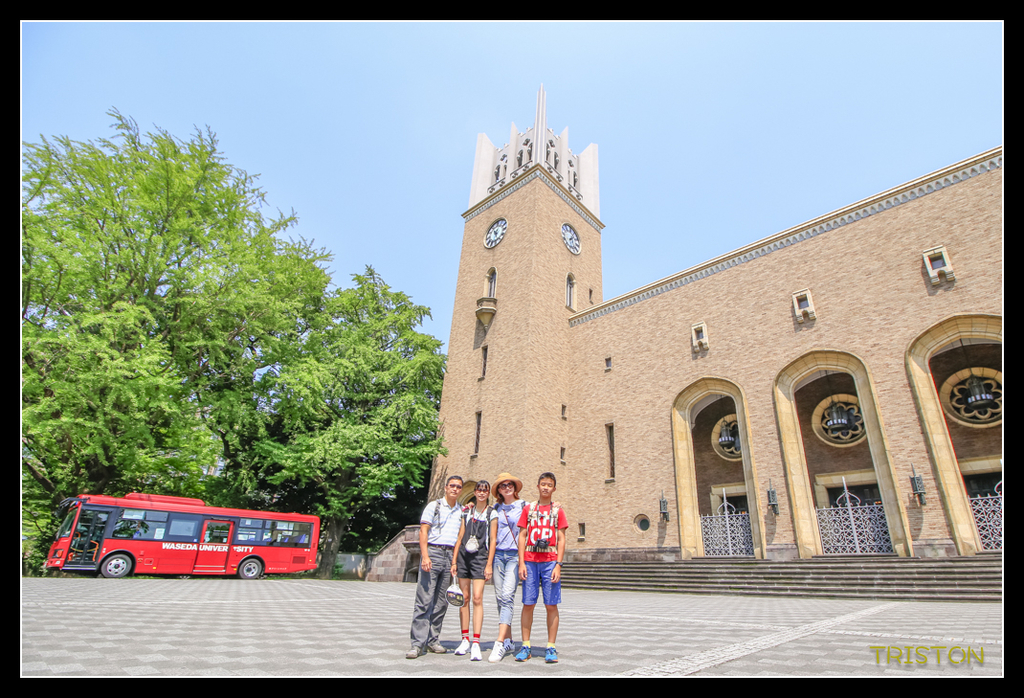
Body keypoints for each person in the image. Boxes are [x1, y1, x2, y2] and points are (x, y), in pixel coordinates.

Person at [407, 475, 465, 659]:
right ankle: (417, 644)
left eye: (458, 487)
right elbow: (423, 530)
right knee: (424, 600)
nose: (455, 489)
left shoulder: (461, 511)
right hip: (433, 552)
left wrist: (454, 562)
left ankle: (433, 640)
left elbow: (459, 539)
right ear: (446, 487)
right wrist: (424, 556)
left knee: (441, 602)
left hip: (449, 556)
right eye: (452, 486)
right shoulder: (434, 506)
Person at [516, 472, 568, 664]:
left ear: (554, 488)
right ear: (537, 486)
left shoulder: (558, 511)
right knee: (528, 603)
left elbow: (562, 539)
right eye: (543, 484)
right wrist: (521, 562)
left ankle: (551, 647)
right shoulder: (528, 509)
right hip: (530, 560)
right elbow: (522, 535)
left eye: (549, 485)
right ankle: (526, 645)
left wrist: (558, 565)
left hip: (550, 561)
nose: (546, 487)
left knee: (551, 604)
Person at [450, 480, 496, 661]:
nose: (482, 493)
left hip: (480, 558)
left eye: (485, 490)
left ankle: (476, 641)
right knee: (464, 598)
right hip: (463, 557)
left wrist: (489, 564)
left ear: (488, 493)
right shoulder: (466, 511)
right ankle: (465, 639)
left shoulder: (492, 513)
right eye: (479, 490)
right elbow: (460, 536)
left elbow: (493, 540)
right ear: (475, 492)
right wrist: (454, 560)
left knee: (477, 598)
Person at [487, 472, 525, 662]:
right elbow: (491, 536)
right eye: (503, 485)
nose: (507, 487)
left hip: (514, 557)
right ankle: (509, 639)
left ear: (515, 487)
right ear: (499, 491)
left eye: (510, 484)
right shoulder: (495, 508)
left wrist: (555, 505)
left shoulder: (524, 506)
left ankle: (499, 643)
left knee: (508, 596)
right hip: (498, 556)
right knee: (500, 598)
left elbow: (542, 509)